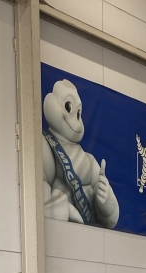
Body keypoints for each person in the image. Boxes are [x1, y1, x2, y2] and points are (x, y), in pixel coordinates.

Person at [42, 79, 119, 228]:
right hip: (61, 234)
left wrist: (106, 203)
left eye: (78, 112)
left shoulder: (90, 160)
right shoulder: (46, 145)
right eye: (68, 107)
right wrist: (65, 209)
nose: (76, 119)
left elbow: (111, 219)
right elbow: (40, 200)